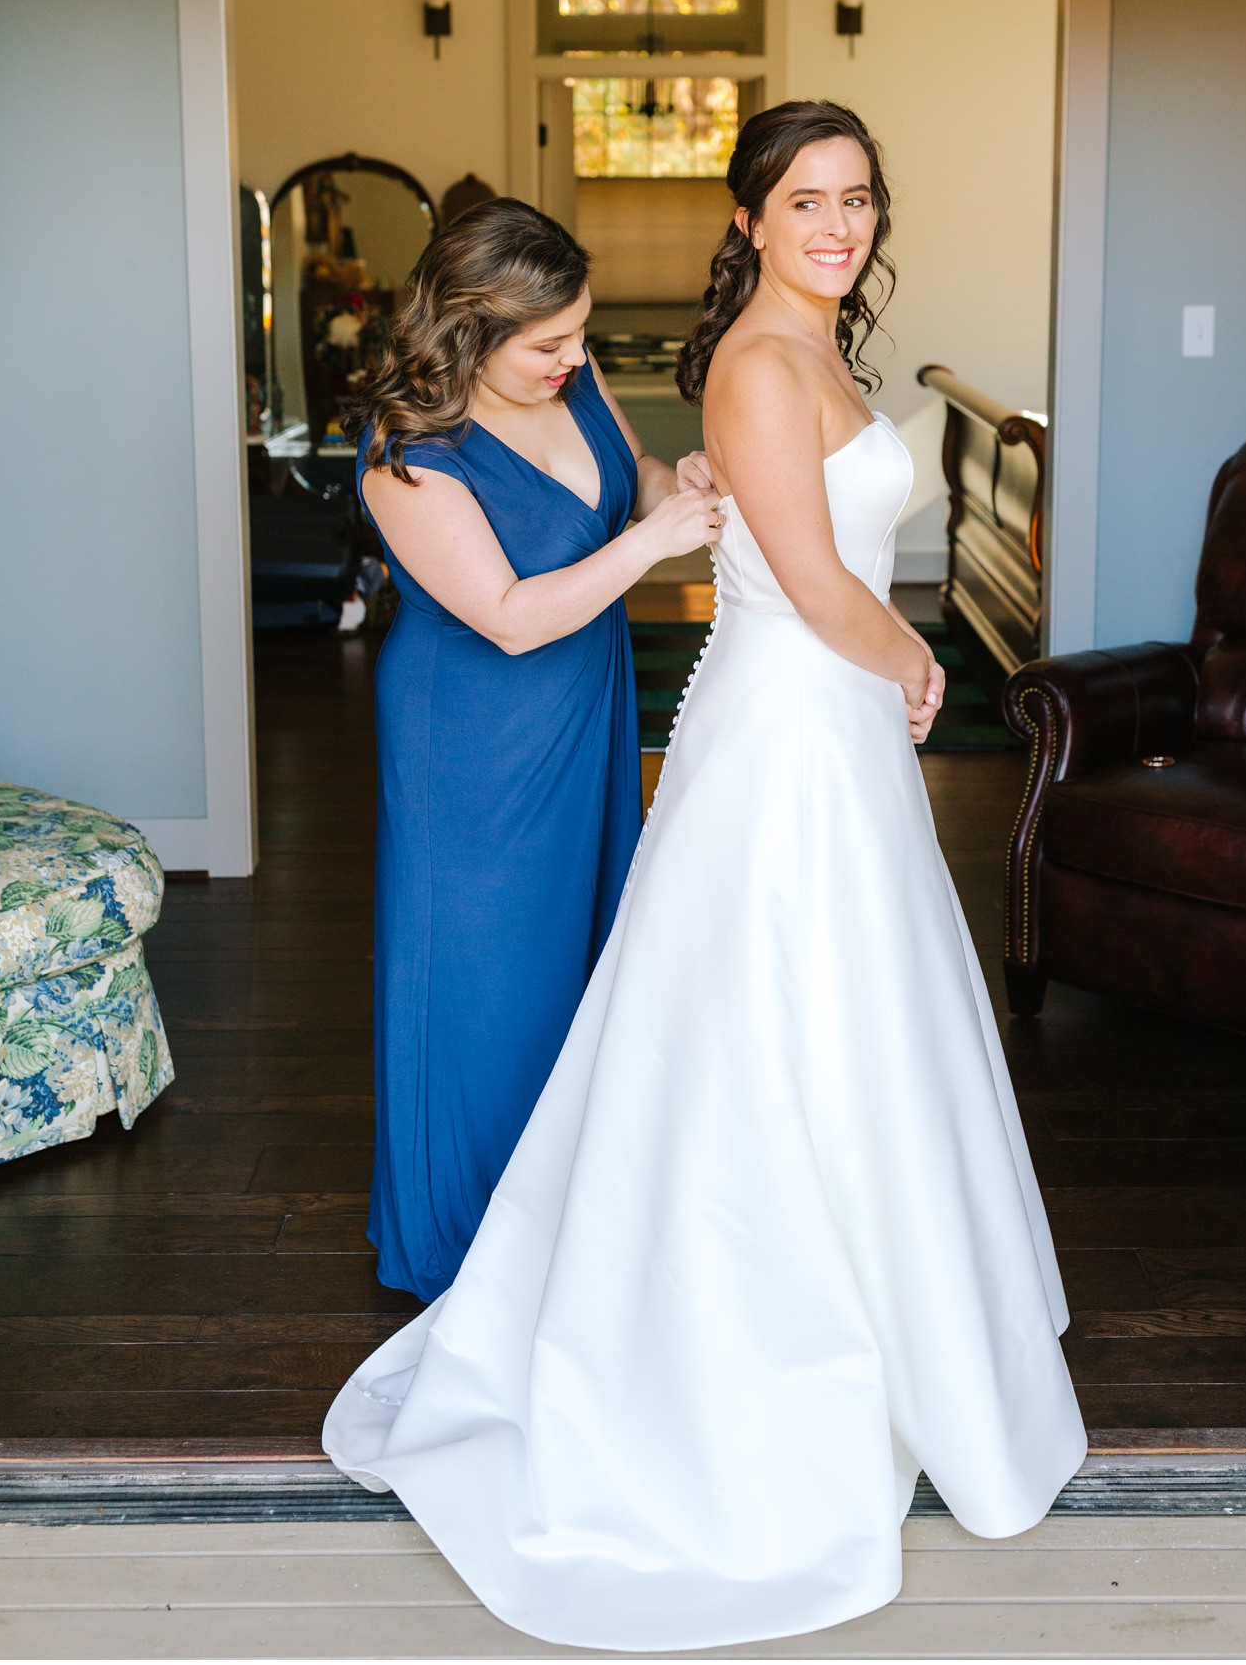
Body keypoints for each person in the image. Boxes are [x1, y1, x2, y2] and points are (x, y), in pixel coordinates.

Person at [325, 103, 1087, 1650]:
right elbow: (733, 581)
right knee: (533, 988)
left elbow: (707, 498)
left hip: (666, 713)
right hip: (517, 720)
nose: (837, 222)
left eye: (857, 197)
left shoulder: (699, 369)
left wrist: (703, 509)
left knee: (660, 990)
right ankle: (496, 1263)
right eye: (806, 198)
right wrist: (908, 656)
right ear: (752, 218)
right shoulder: (422, 453)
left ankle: (830, 1289)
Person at [346, 197, 722, 1303]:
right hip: (472, 743)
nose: (573, 357)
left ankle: (568, 1216)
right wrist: (656, 544)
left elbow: (631, 471)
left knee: (580, 961)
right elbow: (507, 613)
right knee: (484, 981)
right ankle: (465, 1240)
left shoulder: (572, 373)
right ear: (468, 333)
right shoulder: (405, 456)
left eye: (581, 333)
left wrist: (678, 485)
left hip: (580, 708)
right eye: (547, 342)